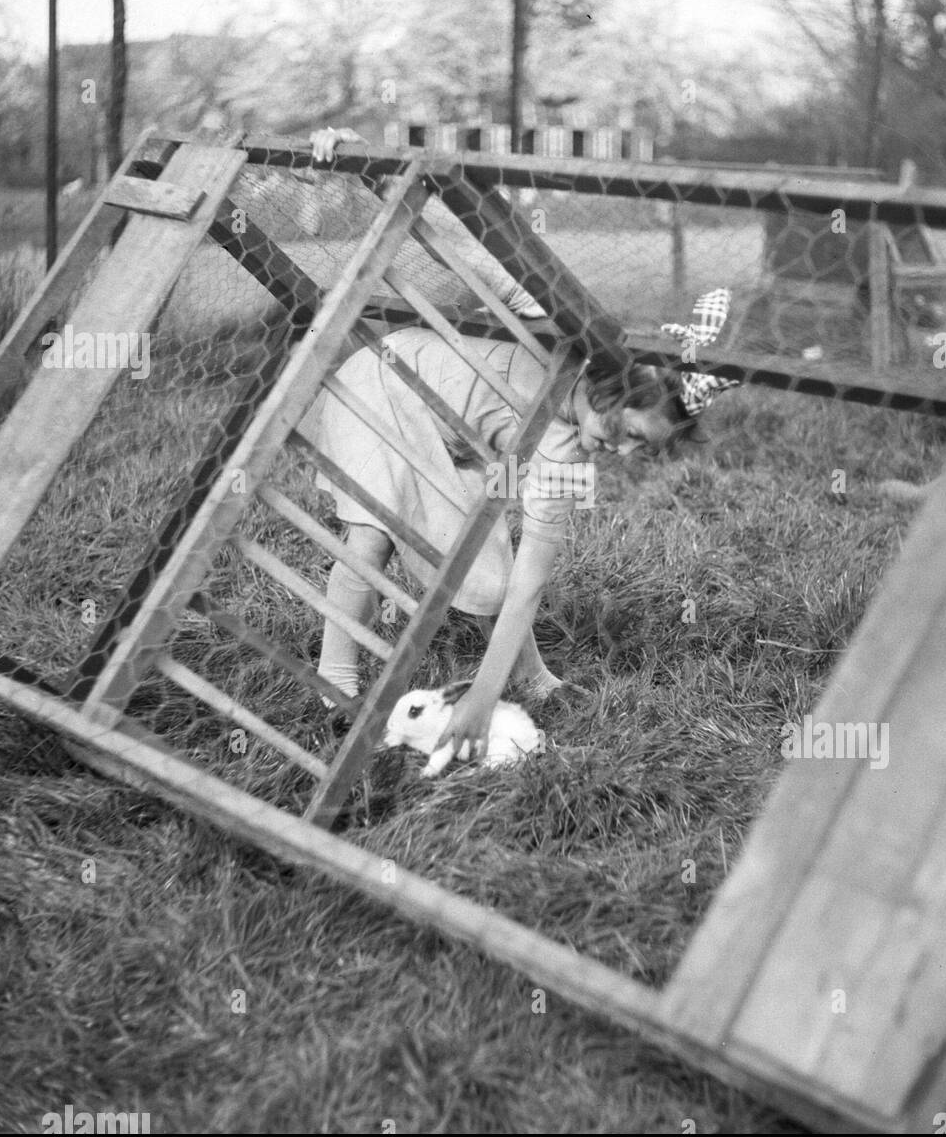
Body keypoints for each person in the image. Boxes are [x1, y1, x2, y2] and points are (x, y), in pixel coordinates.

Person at [307, 127, 726, 767]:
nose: (622, 457)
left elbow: (529, 580)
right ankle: (335, 683)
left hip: (448, 441)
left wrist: (484, 695)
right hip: (386, 385)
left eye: (644, 456)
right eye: (634, 437)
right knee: (373, 534)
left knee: (491, 558)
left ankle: (526, 673)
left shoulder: (567, 460)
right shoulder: (557, 332)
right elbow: (453, 255)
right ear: (625, 387)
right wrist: (370, 168)